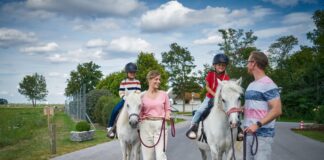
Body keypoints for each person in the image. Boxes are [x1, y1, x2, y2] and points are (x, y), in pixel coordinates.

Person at [243, 51, 282, 160]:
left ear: (253, 63)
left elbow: (277, 110)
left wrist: (257, 125)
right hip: (248, 134)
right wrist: (240, 109)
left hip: (262, 136)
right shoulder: (251, 85)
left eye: (248, 62)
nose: (247, 65)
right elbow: (253, 105)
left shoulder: (268, 84)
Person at [186, 54, 230, 139]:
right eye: (219, 65)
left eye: (223, 65)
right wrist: (215, 95)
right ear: (214, 65)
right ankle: (193, 127)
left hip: (222, 99)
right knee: (200, 111)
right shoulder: (210, 74)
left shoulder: (227, 77)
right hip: (210, 97)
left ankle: (237, 129)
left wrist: (221, 97)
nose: (221, 66)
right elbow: (207, 87)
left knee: (231, 111)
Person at [139, 70, 171, 160]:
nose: (159, 81)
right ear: (150, 79)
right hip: (145, 127)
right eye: (156, 79)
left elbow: (167, 109)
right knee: (147, 158)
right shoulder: (142, 96)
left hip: (160, 125)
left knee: (160, 156)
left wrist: (167, 115)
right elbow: (139, 112)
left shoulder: (164, 94)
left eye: (159, 79)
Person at [107, 62, 141, 138]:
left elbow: (138, 91)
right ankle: (110, 127)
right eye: (130, 72)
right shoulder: (123, 82)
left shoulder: (137, 82)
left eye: (134, 72)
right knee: (115, 110)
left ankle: (143, 128)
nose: (132, 73)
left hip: (134, 100)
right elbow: (121, 92)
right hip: (125, 100)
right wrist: (124, 97)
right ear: (127, 73)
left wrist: (134, 96)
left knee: (142, 109)